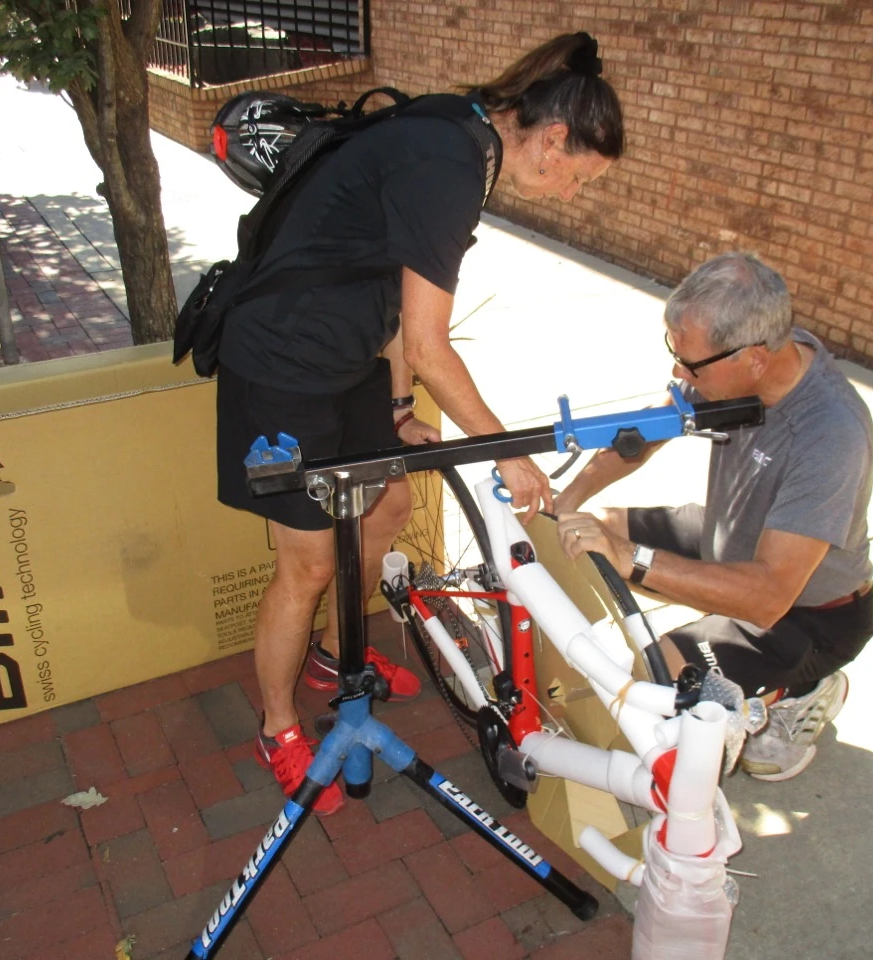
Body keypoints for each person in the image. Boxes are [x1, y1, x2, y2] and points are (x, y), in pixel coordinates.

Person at [216, 33, 624, 814]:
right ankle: (276, 726)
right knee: (304, 565)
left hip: (349, 357)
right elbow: (434, 347)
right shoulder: (449, 163)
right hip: (281, 363)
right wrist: (506, 455)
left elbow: (403, 307)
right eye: (580, 176)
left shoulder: (458, 136)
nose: (573, 194)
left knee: (389, 507)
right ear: (552, 138)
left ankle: (338, 661)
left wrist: (399, 412)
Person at [554, 251, 873, 782]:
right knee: (592, 526)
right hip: (729, 533)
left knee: (660, 672)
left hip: (807, 611)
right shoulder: (740, 363)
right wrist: (570, 497)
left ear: (754, 358)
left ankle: (800, 691)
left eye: (692, 365)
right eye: (675, 353)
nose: (680, 373)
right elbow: (651, 429)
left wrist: (631, 559)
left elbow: (769, 594)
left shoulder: (830, 433)